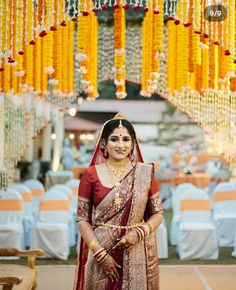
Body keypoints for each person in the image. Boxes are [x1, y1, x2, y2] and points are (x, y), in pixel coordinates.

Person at [73, 113, 163, 290]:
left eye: (126, 139)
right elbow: (82, 219)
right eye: (114, 139)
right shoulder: (91, 174)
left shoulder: (145, 173)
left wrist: (138, 233)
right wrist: (100, 253)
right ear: (104, 143)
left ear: (133, 144)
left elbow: (157, 213)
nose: (120, 145)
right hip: (100, 249)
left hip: (138, 249)